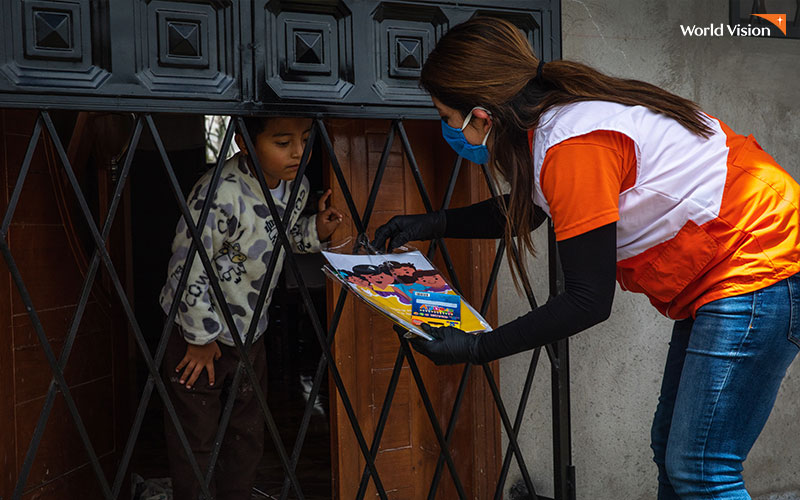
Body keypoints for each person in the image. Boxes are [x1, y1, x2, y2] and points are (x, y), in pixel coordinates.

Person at [371, 17, 800, 500]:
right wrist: (433, 224)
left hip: (761, 266)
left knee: (702, 469)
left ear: (482, 116)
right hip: (732, 271)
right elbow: (532, 210)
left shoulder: (572, 144)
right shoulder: (556, 124)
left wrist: (475, 350)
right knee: (676, 456)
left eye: (449, 119)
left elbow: (587, 301)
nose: (450, 131)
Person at [158, 116, 342, 500]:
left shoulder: (297, 187)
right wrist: (199, 338)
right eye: (282, 142)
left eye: (306, 139)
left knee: (246, 433)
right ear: (244, 142)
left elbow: (280, 235)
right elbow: (187, 264)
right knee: (197, 435)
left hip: (249, 332)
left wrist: (315, 231)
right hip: (196, 335)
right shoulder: (219, 194)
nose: (298, 151)